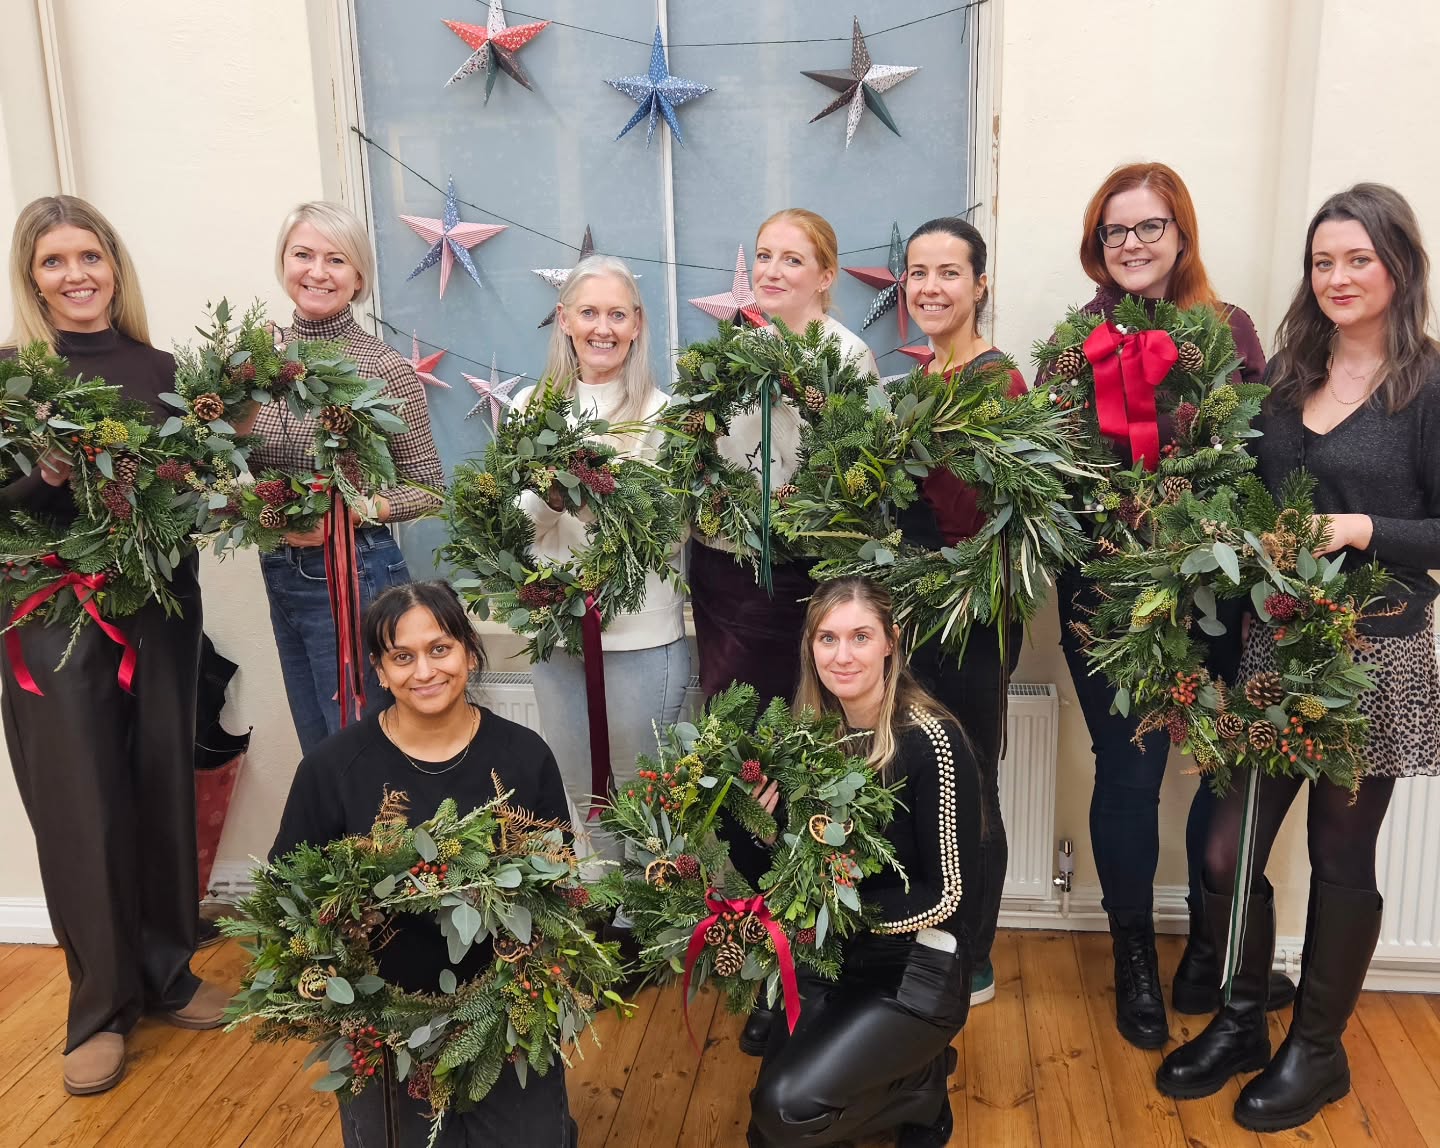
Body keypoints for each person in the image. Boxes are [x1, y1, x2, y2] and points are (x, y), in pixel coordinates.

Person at [1157, 183, 1440, 1131]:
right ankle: (1242, 1019)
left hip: (1375, 658)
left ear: (1399, 265)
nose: (1339, 277)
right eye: (1325, 261)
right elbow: (1247, 499)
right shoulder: (1285, 375)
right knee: (1226, 846)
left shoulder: (1430, 387)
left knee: (1338, 856)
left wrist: (1362, 527)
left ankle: (1316, 1053)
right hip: (1277, 646)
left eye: (1358, 258)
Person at [1051, 162, 1293, 1049]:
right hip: (1108, 597)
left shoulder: (1226, 331)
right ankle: (1134, 965)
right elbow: (1057, 474)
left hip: (1211, 592)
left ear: (1181, 235)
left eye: (1149, 227)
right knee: (1129, 775)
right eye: (1116, 231)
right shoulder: (1074, 340)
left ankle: (1204, 947)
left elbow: (1257, 456)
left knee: (1216, 768)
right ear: (1097, 245)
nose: (1132, 245)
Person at [0, 196, 229, 1096]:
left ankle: (168, 969)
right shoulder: (12, 377)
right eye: (55, 261)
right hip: (51, 619)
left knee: (161, 781)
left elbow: (192, 498)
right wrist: (38, 478)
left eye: (89, 256)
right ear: (33, 277)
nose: (77, 274)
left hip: (160, 608)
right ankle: (97, 1010)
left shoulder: (163, 368)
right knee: (80, 806)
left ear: (114, 265)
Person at [271, 580, 576, 1147]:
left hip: (503, 1010)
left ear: (469, 651)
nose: (425, 671)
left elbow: (560, 883)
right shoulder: (331, 768)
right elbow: (288, 896)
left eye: (440, 649)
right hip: (384, 1023)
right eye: (401, 657)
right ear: (380, 672)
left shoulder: (524, 755)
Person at [747, 576, 979, 1148]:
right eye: (827, 639)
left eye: (860, 636)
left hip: (915, 968)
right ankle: (900, 1080)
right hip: (829, 959)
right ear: (810, 646)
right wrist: (757, 830)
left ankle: (919, 1091)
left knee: (786, 1111)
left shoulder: (931, 742)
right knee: (766, 1128)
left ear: (890, 643)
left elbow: (947, 898)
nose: (842, 655)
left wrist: (837, 914)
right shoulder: (801, 737)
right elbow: (784, 878)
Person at [249, 202, 445, 757]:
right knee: (319, 750)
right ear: (283, 263)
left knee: (360, 749)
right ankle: (337, 846)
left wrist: (355, 507)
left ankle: (382, 846)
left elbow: (430, 486)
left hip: (353, 573)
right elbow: (235, 462)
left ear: (358, 277)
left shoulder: (383, 368)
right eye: (303, 255)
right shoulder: (257, 362)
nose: (317, 271)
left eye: (336, 260)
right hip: (280, 569)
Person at [515, 255, 689, 852]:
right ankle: (608, 925)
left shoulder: (664, 417)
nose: (602, 328)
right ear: (564, 319)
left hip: (639, 640)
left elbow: (668, 533)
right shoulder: (530, 410)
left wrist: (599, 506)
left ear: (637, 324)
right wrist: (554, 497)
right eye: (589, 313)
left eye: (617, 314)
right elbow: (512, 527)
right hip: (556, 635)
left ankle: (650, 926)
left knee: (647, 804)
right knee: (584, 800)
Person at [898, 216, 1028, 1009]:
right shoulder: (922, 381)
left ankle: (973, 954)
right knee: (930, 779)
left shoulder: (996, 379)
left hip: (973, 618)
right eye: (918, 272)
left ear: (980, 285)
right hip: (919, 616)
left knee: (973, 783)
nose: (930, 288)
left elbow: (998, 521)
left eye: (949, 272)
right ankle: (933, 937)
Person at [689, 208, 878, 706]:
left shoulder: (847, 356)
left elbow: (862, 476)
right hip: (720, 567)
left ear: (825, 276)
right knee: (728, 720)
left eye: (791, 260)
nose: (771, 271)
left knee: (789, 720)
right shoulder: (741, 347)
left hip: (795, 571)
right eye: (764, 256)